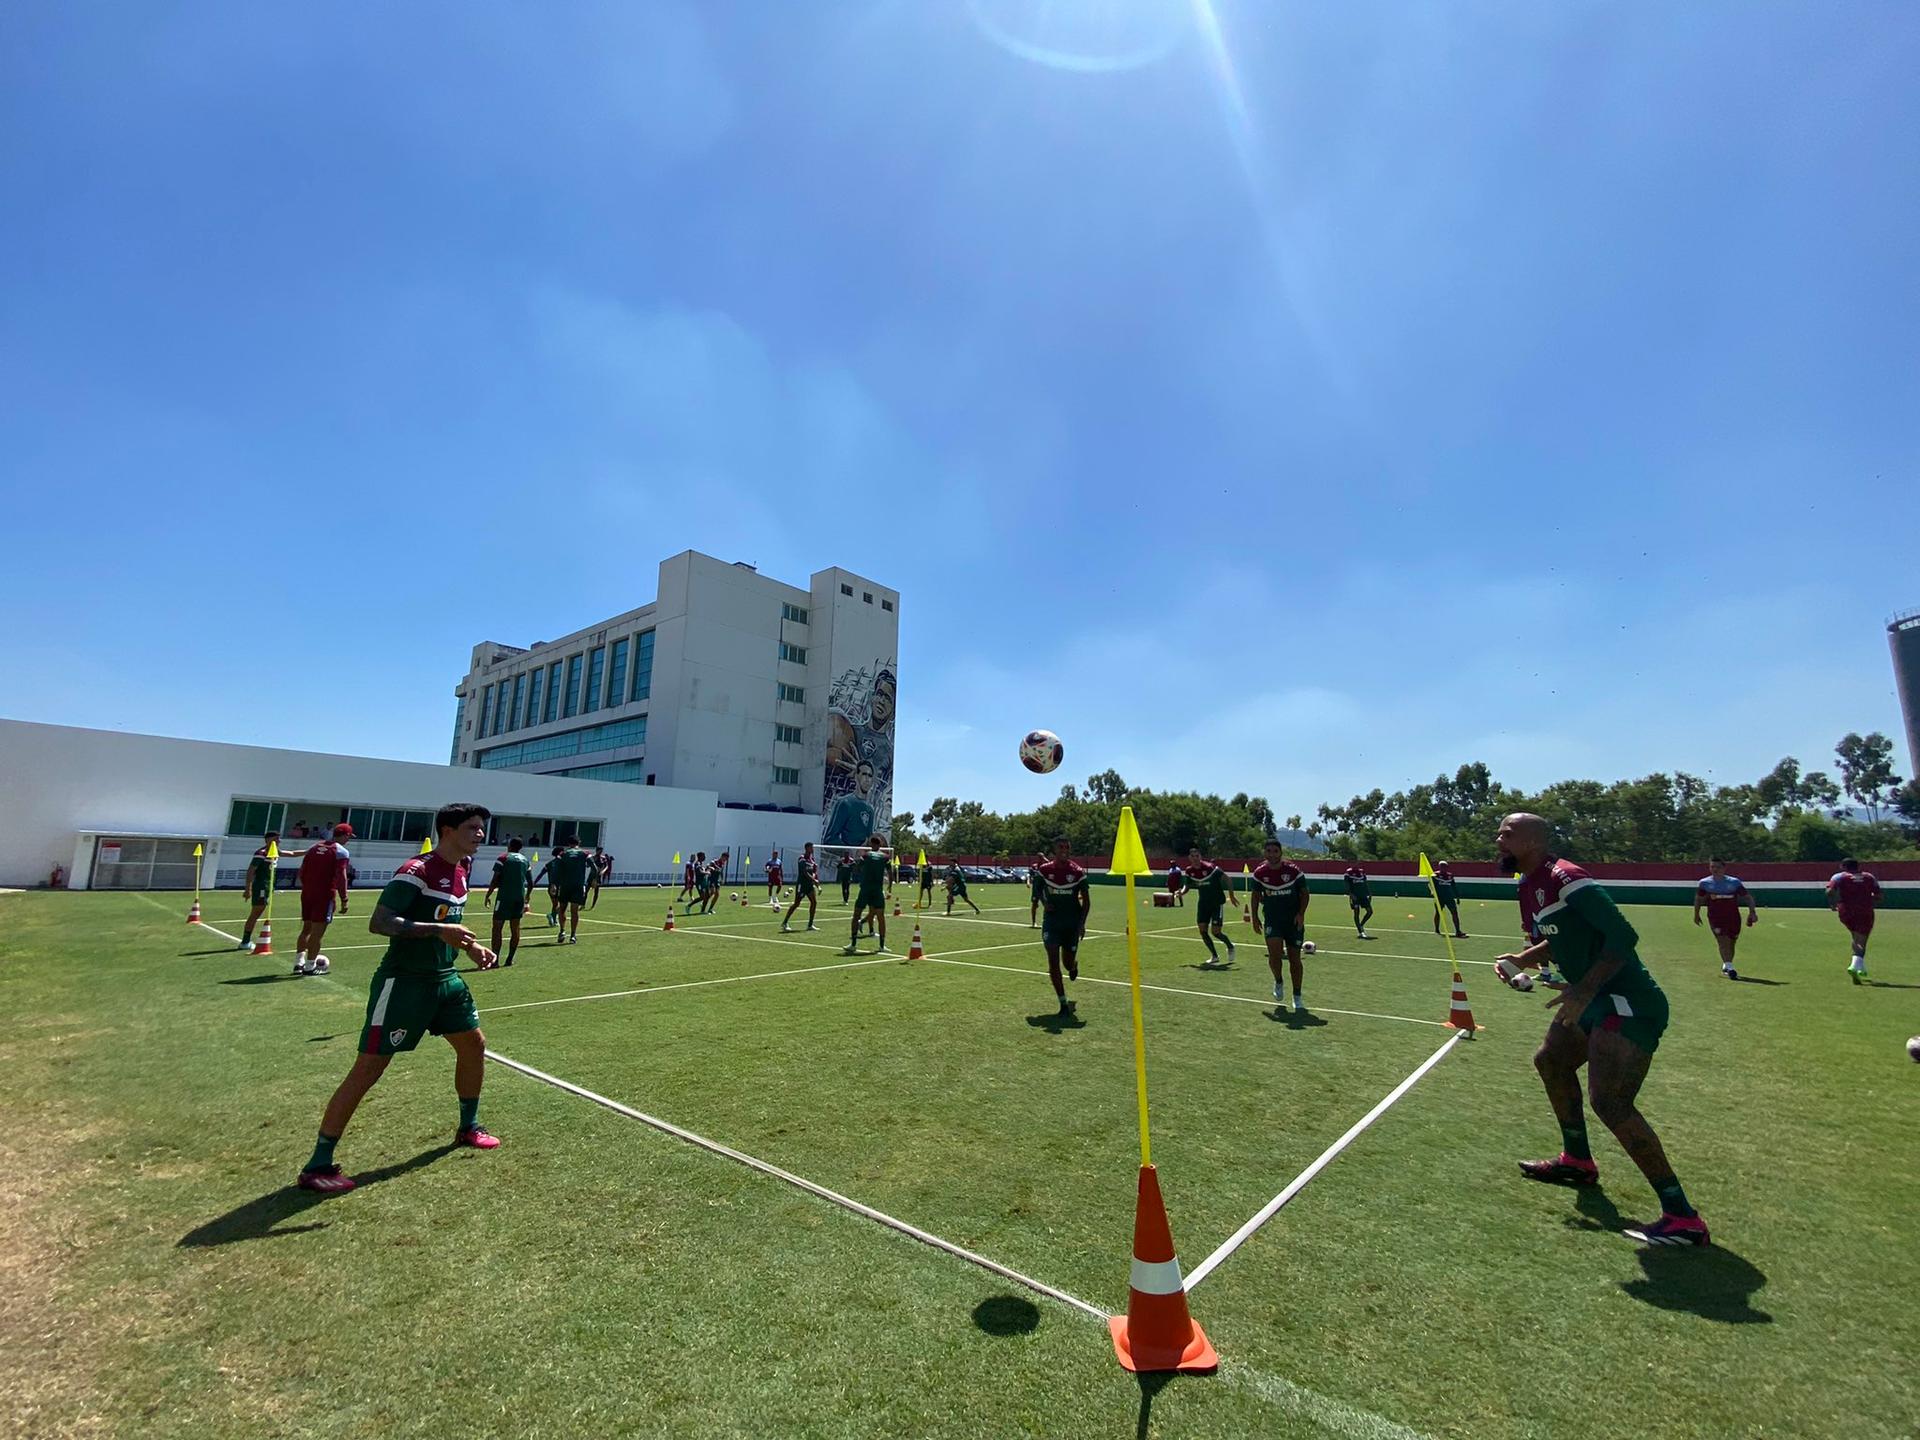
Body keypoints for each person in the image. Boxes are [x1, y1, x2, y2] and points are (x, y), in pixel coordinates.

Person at [1494, 813, 1707, 1246]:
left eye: (1507, 834)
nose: (1498, 839)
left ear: (1534, 841)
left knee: (1610, 1101)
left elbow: (1623, 935)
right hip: (1591, 999)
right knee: (1551, 1060)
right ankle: (1577, 1160)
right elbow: (1560, 939)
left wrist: (1585, 989)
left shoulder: (1567, 877)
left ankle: (1682, 1217)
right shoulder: (1527, 886)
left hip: (1626, 1002)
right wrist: (1521, 959)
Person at [295, 802, 501, 1195]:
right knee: (369, 1069)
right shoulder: (415, 871)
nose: (480, 834)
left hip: (446, 980)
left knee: (474, 1046)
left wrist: (470, 949)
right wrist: (438, 930)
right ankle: (318, 1163)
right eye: (473, 828)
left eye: (481, 828)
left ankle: (468, 1126)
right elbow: (382, 922)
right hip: (403, 984)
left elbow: (449, 924)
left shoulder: (462, 870)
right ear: (447, 829)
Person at [1250, 839, 1310, 1013]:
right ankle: (1278, 981)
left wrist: (1301, 914)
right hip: (1272, 920)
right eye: (1268, 851)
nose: (1272, 854)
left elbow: (1305, 894)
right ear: (1264, 853)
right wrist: (1254, 918)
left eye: (1275, 851)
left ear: (1280, 853)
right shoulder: (1260, 873)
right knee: (1275, 955)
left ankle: (1297, 996)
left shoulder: (1293, 871)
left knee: (1295, 960)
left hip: (1293, 921)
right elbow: (1255, 896)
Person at [1032, 837, 1091, 1014]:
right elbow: (1037, 890)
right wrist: (1044, 902)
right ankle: (1063, 1003)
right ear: (1054, 850)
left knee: (1067, 963)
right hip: (1052, 922)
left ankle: (1073, 967)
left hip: (1071, 923)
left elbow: (1087, 902)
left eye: (1067, 847)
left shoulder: (1077, 872)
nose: (1064, 850)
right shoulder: (1044, 870)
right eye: (1060, 847)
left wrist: (1081, 924)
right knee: (1053, 960)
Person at [287, 823, 354, 975]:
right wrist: (344, 898)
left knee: (306, 929)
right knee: (318, 932)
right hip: (325, 895)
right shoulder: (341, 851)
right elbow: (341, 876)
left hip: (308, 893)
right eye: (349, 837)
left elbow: (302, 871)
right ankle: (310, 965)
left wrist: (307, 886)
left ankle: (298, 963)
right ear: (345, 836)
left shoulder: (314, 847)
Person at [1692, 859, 1757, 980]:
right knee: (1722, 940)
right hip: (1715, 916)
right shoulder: (1705, 883)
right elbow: (1699, 899)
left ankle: (1727, 964)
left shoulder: (1734, 882)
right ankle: (1730, 967)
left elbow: (1748, 898)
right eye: (1712, 867)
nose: (1715, 869)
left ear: (1724, 868)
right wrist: (1696, 914)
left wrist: (1752, 912)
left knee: (1731, 941)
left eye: (1717, 867)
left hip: (1733, 916)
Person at [1828, 857, 1883, 983]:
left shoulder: (1838, 877)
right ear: (1858, 866)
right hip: (1865, 911)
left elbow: (1829, 891)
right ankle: (1854, 965)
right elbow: (1879, 896)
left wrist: (1832, 903)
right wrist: (1868, 900)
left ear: (1843, 866)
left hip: (1845, 911)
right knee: (1862, 940)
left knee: (1855, 937)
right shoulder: (1869, 877)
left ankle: (1860, 968)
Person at [1183, 846, 1237, 967]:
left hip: (1216, 903)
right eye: (1193, 856)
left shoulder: (1210, 868)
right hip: (1203, 904)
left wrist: (1231, 896)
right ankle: (1214, 956)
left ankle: (1230, 946)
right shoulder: (1189, 871)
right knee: (1203, 931)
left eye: (1197, 856)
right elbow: (1187, 887)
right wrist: (1181, 892)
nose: (1195, 858)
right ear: (1189, 858)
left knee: (1216, 932)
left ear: (1200, 856)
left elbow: (1228, 879)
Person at [841, 836, 893, 955]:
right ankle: (882, 945)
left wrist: (863, 873)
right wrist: (890, 886)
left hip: (865, 889)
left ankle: (853, 944)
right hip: (877, 890)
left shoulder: (866, 855)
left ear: (871, 844)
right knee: (881, 917)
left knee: (856, 915)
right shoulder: (885, 857)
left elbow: (857, 867)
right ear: (880, 845)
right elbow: (890, 873)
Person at [486, 837, 533, 966]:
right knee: (515, 927)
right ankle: (510, 959)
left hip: (504, 897)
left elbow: (495, 879)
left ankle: (495, 961)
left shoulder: (503, 858)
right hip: (519, 898)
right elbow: (530, 882)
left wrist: (488, 894)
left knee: (497, 927)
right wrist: (527, 896)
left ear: (510, 846)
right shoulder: (525, 860)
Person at [549, 834, 598, 943]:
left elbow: (556, 870)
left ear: (568, 844)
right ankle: (573, 935)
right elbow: (594, 868)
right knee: (574, 911)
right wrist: (594, 880)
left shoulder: (563, 854)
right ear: (579, 843)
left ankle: (562, 931)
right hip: (578, 886)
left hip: (565, 886)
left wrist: (553, 884)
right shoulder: (585, 853)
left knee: (562, 909)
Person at [238, 832, 279, 951]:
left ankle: (246, 941)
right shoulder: (261, 853)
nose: (278, 842)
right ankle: (245, 942)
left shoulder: (276, 852)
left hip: (268, 888)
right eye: (276, 839)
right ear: (268, 840)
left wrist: (310, 851)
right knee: (256, 913)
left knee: (258, 912)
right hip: (261, 886)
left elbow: (292, 853)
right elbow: (251, 871)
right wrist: (248, 889)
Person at [781, 842, 822, 932]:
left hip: (809, 885)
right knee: (796, 904)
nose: (812, 849)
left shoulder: (812, 860)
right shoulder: (802, 859)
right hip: (802, 884)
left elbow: (813, 871)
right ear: (807, 848)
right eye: (811, 848)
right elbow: (804, 872)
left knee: (814, 902)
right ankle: (785, 922)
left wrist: (815, 877)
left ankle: (810, 925)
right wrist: (813, 880)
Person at [1432, 861, 1468, 938]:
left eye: (1445, 866)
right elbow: (1431, 885)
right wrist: (1432, 892)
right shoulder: (1435, 875)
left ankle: (1458, 931)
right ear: (1439, 867)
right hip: (1439, 898)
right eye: (1442, 866)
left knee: (1454, 913)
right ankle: (1437, 929)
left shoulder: (1450, 876)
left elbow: (1454, 886)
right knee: (1438, 913)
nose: (1444, 868)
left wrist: (1457, 897)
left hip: (1449, 898)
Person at [1343, 863, 1374, 939]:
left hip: (1363, 895)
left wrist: (1369, 893)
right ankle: (1361, 932)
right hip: (1355, 896)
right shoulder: (1348, 872)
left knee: (1370, 911)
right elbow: (1346, 885)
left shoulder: (1362, 872)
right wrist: (1351, 895)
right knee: (1357, 913)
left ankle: (1361, 925)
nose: (1355, 864)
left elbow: (1365, 883)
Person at [1028, 858, 1046, 928]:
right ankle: (1034, 922)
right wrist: (1028, 882)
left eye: (1042, 857)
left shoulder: (1046, 866)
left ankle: (1045, 921)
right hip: (1036, 889)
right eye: (1039, 857)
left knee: (1046, 904)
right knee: (1034, 905)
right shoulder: (1034, 867)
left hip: (1044, 889)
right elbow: (1029, 875)